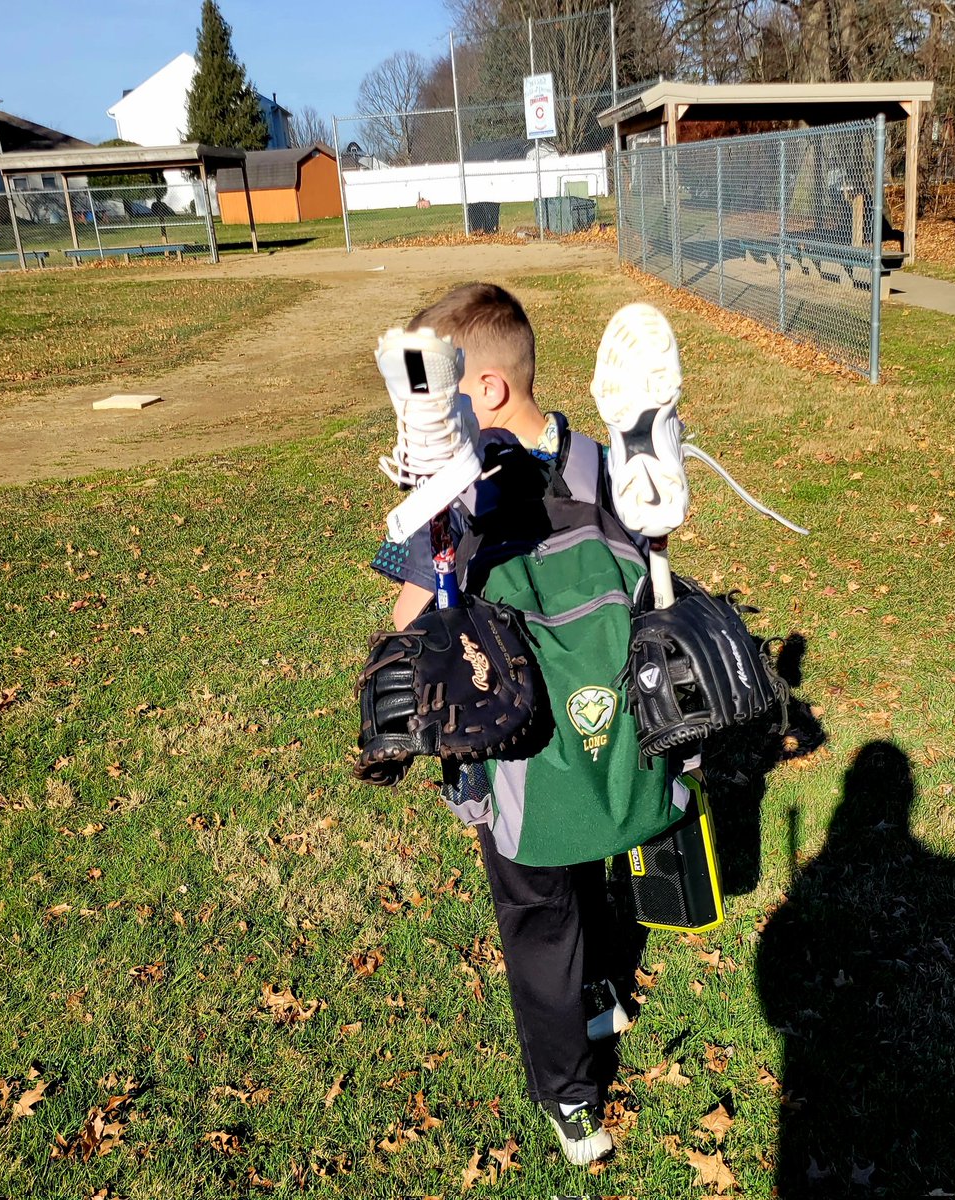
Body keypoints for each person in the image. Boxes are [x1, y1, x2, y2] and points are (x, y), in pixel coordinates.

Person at [369, 282, 689, 1166]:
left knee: (538, 912)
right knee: (594, 865)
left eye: (431, 387)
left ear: (485, 391)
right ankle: (599, 987)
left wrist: (436, 527)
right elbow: (651, 573)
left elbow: (407, 620)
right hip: (616, 741)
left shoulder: (460, 498)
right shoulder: (604, 463)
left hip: (512, 753)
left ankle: (569, 1094)